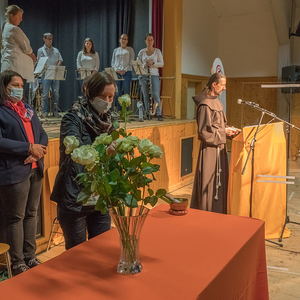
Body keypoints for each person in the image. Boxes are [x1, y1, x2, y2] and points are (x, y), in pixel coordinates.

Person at [51, 72, 115, 250]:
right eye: (104, 97)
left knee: (102, 248)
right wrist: (103, 151)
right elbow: (76, 153)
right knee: (77, 254)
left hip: (100, 196)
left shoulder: (109, 120)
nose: (108, 101)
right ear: (92, 94)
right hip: (75, 197)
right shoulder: (72, 118)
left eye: (111, 96)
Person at [0, 70, 48, 276]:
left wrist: (37, 153)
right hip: (14, 171)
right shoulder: (1, 111)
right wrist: (28, 148)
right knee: (15, 218)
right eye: (15, 85)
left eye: (21, 85)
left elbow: (43, 134)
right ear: (4, 86)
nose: (19, 89)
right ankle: (17, 262)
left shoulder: (27, 109)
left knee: (31, 214)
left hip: (34, 168)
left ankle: (30, 256)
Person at [190, 72, 239, 214]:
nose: (224, 88)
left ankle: (218, 211)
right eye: (222, 85)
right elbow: (204, 132)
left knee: (220, 182)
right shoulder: (205, 104)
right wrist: (225, 133)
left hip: (220, 148)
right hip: (210, 150)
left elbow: (219, 125)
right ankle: (206, 212)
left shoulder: (217, 102)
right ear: (214, 85)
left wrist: (228, 129)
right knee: (209, 182)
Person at [1, 5, 36, 87]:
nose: (21, 19)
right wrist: (33, 56)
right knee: (17, 92)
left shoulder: (5, 27)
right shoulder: (14, 29)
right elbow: (26, 47)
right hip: (17, 68)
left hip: (8, 65)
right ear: (11, 16)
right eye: (19, 16)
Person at [137, 33, 164, 121]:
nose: (150, 41)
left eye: (151, 40)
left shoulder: (157, 51)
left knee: (155, 94)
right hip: (144, 75)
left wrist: (153, 63)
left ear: (153, 41)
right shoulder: (141, 52)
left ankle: (159, 113)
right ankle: (147, 113)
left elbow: (162, 64)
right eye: (148, 39)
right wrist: (145, 64)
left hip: (154, 75)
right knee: (145, 95)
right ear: (145, 41)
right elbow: (138, 63)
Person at [37, 33, 63, 118]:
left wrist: (57, 66)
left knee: (56, 93)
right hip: (45, 74)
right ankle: (45, 111)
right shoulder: (40, 50)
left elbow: (60, 60)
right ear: (44, 39)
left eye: (51, 39)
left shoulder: (56, 50)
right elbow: (39, 62)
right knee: (45, 94)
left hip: (55, 74)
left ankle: (55, 111)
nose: (50, 40)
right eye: (48, 38)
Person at [111, 33, 135, 111]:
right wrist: (117, 70)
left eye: (125, 39)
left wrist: (124, 70)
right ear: (119, 40)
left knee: (126, 92)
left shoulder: (130, 49)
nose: (123, 40)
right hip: (117, 73)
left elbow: (131, 62)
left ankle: (126, 112)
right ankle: (118, 111)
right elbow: (113, 63)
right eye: (122, 38)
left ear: (127, 41)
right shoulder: (115, 50)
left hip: (127, 73)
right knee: (118, 93)